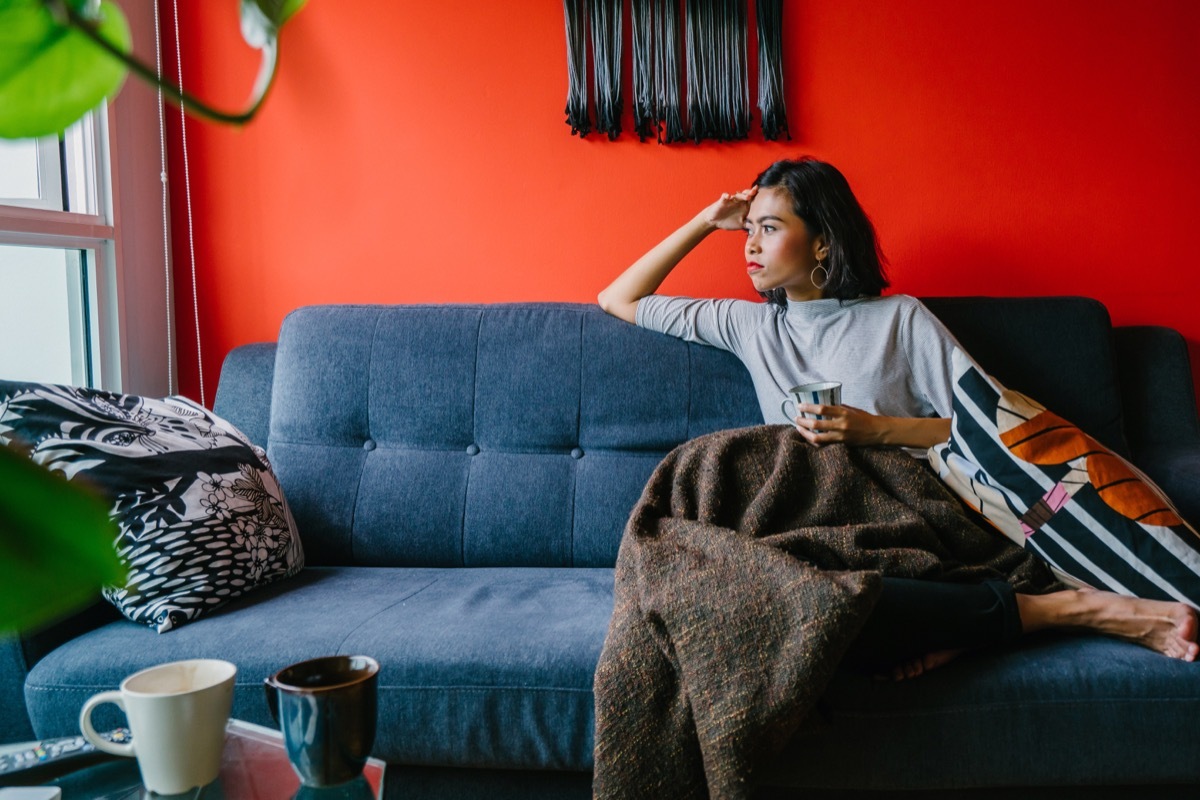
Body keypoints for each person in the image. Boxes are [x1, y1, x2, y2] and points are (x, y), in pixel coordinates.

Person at [597, 156, 1199, 678]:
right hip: (814, 517)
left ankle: (1023, 612)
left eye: (770, 228)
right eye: (748, 230)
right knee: (776, 604)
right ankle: (1020, 616)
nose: (750, 244)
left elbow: (981, 429)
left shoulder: (899, 319)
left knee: (847, 606)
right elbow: (618, 298)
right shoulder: (749, 326)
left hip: (912, 512)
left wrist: (875, 429)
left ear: (822, 242)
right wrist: (708, 220)